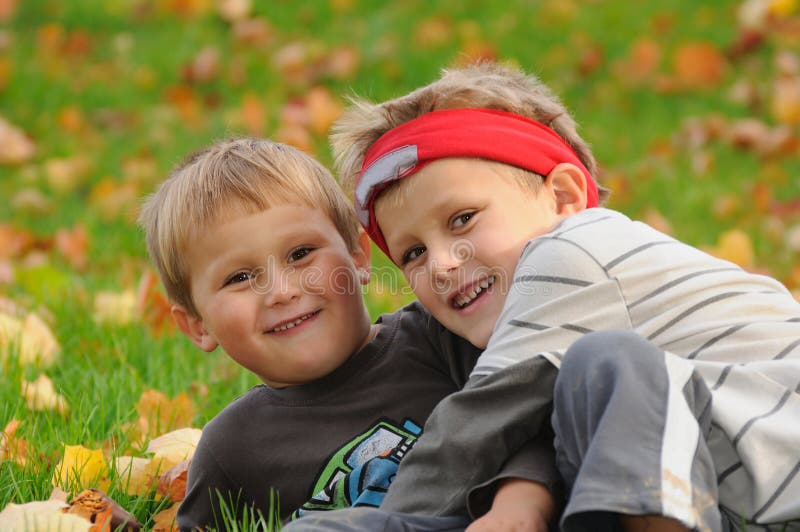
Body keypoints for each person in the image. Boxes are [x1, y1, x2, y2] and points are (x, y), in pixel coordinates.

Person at [287, 61, 800, 531]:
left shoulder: (574, 250)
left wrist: (390, 518)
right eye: (414, 253)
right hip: (708, 498)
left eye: (463, 219)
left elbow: (474, 430)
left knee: (605, 364)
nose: (442, 264)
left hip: (776, 479)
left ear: (564, 196)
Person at [137, 137, 559, 531]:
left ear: (358, 254)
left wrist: (519, 503)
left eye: (301, 254)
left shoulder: (439, 339)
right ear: (197, 325)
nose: (282, 292)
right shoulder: (232, 450)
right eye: (240, 277)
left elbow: (528, 422)